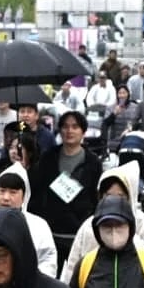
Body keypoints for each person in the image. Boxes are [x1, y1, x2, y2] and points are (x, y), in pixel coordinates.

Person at [59, 161, 144, 285]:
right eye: (108, 196)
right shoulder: (89, 227)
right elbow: (73, 267)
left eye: (120, 196)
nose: (114, 201)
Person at [27, 108, 103, 263]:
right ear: (60, 130)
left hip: (79, 230)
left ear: (83, 131)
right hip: (51, 229)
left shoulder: (93, 162)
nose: (70, 131)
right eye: (65, 127)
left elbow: (96, 196)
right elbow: (36, 188)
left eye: (75, 127)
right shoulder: (48, 158)